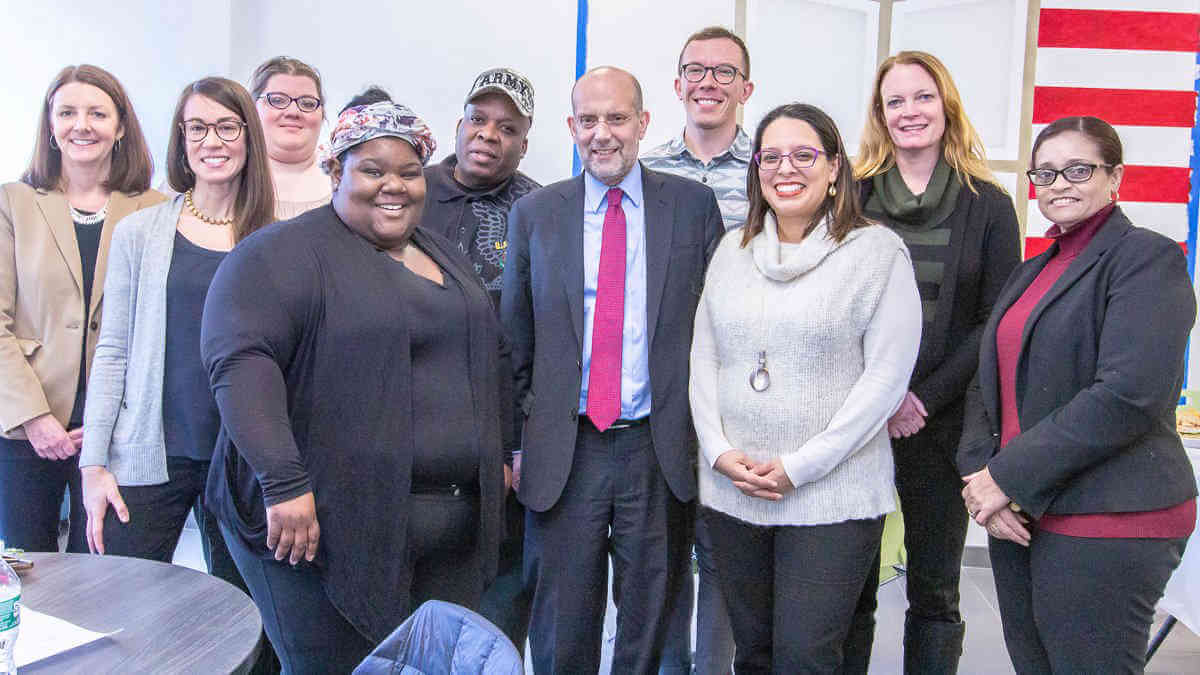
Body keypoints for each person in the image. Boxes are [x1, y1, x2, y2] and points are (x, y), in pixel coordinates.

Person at [201, 92, 511, 674]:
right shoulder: (281, 254)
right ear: (336, 170)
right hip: (316, 534)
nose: (393, 185)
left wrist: (498, 452)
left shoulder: (441, 254)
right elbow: (240, 363)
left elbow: (488, 354)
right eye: (372, 170)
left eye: (409, 171)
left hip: (443, 536)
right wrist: (283, 481)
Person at [502, 66, 724, 674]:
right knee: (561, 630)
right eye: (588, 120)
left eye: (617, 118)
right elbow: (514, 339)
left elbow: (714, 328)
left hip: (657, 448)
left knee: (650, 628)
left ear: (644, 123)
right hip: (566, 450)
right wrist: (521, 436)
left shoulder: (692, 207)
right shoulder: (537, 214)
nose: (603, 134)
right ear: (572, 127)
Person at [959, 116, 1197, 674]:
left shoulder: (1146, 259)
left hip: (1108, 514)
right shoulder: (1033, 269)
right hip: (1020, 512)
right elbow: (984, 380)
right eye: (1046, 172)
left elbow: (1127, 395)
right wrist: (980, 480)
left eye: (1078, 169)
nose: (1059, 183)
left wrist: (1006, 477)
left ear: (1115, 177)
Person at [690, 102, 921, 672]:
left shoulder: (876, 253)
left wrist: (802, 465)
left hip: (832, 496)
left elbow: (885, 381)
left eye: (803, 155)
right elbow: (702, 357)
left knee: (806, 657)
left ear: (835, 167)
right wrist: (718, 452)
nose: (785, 169)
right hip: (735, 490)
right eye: (771, 156)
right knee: (756, 654)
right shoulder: (731, 251)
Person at [853, 50, 1021, 673]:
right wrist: (884, 395)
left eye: (921, 97)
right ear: (881, 114)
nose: (909, 111)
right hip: (860, 423)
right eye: (895, 101)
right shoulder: (852, 195)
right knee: (851, 586)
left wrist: (920, 397)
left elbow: (994, 321)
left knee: (934, 590)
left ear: (945, 104)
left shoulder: (989, 205)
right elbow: (837, 306)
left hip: (941, 423)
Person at [79, 76, 274, 572]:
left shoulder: (277, 240)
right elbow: (113, 351)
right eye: (198, 128)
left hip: (242, 461)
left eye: (228, 127)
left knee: (243, 619)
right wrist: (94, 464)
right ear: (181, 140)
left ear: (249, 136)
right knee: (124, 608)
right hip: (147, 456)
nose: (213, 141)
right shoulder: (138, 233)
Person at [0, 64, 162, 552]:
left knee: (105, 573)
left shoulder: (155, 207)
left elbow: (154, 328)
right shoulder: (14, 202)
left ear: (120, 127)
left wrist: (109, 423)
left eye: (97, 112)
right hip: (26, 430)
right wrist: (34, 418)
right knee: (29, 573)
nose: (82, 124)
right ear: (50, 125)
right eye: (67, 112)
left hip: (119, 431)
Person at [421, 67, 539, 649]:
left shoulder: (541, 211)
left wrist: (516, 442)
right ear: (459, 125)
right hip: (418, 429)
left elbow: (541, 340)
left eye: (506, 127)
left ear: (525, 140)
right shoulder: (408, 195)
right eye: (478, 119)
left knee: (499, 593)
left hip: (502, 433)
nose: (488, 134)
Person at [643, 25, 754, 233]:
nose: (708, 82)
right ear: (679, 87)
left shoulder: (768, 169)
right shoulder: (645, 170)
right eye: (695, 70)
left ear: (745, 91)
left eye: (724, 72)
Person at [249, 56, 331, 219]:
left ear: (322, 115)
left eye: (307, 103)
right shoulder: (229, 183)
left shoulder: (345, 184)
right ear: (252, 110)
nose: (293, 112)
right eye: (277, 100)